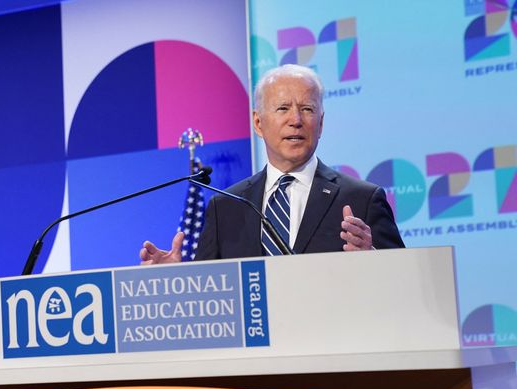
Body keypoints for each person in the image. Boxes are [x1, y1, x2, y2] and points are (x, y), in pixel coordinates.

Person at [140, 64, 404, 264]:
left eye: (307, 109)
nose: (296, 120)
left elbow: (405, 287)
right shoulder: (226, 206)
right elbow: (213, 296)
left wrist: (373, 259)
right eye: (282, 109)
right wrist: (174, 277)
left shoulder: (363, 199)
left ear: (320, 123)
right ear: (258, 123)